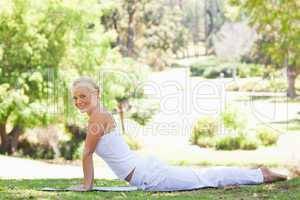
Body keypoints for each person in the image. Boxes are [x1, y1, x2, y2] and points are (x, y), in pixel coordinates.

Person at [68, 77, 287, 192]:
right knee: (204, 177)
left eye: (83, 96)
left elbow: (87, 153)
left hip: (147, 176)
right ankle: (257, 173)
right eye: (75, 98)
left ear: (96, 94)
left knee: (206, 179)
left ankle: (260, 175)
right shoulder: (99, 116)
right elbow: (90, 153)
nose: (78, 101)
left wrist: (87, 186)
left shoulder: (98, 118)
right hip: (143, 171)